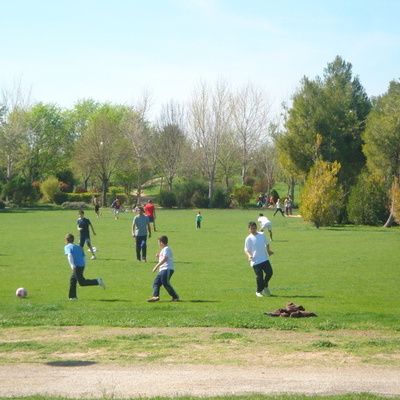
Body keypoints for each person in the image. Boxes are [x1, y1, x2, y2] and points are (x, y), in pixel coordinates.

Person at [64, 233, 105, 300]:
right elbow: (84, 257)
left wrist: (72, 265)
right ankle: (73, 297)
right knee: (72, 280)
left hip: (76, 266)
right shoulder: (78, 247)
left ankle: (97, 281)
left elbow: (69, 256)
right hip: (81, 265)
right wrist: (84, 266)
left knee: (82, 282)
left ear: (67, 240)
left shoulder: (67, 247)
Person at [244, 221, 274, 297]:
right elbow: (246, 249)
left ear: (256, 228)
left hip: (264, 258)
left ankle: (265, 284)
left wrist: (268, 251)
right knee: (259, 277)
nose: (253, 230)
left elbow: (267, 243)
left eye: (254, 228)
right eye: (251, 228)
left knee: (269, 272)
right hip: (255, 261)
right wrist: (249, 256)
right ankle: (258, 291)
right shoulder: (248, 238)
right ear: (248, 229)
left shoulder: (262, 235)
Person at [148, 235, 180, 302]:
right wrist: (159, 256)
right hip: (162, 269)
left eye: (159, 242)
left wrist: (156, 266)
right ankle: (155, 296)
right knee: (156, 283)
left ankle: (175, 297)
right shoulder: (163, 250)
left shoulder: (167, 249)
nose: (158, 244)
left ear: (161, 242)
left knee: (165, 283)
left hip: (167, 268)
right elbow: (163, 258)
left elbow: (165, 259)